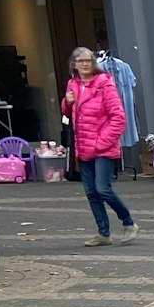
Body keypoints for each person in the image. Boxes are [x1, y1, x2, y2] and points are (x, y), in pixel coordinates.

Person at [62, 46, 137, 246]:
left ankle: (128, 222)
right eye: (81, 61)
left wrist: (101, 142)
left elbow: (118, 118)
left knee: (103, 189)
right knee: (91, 192)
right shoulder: (73, 84)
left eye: (89, 60)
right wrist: (67, 103)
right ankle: (104, 233)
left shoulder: (104, 83)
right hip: (83, 147)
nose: (85, 64)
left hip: (102, 147)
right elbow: (69, 117)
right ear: (74, 64)